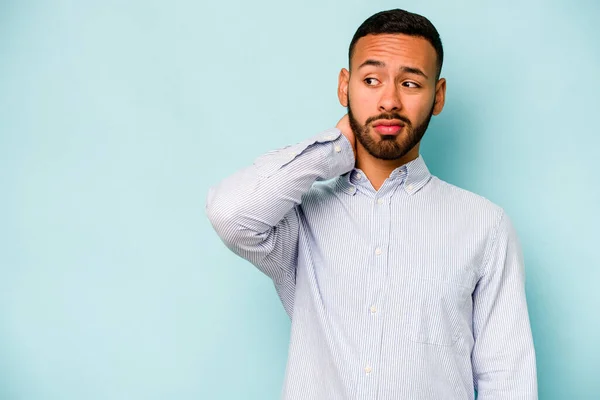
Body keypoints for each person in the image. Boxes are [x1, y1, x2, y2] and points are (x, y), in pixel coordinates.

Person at [205, 8, 537, 400]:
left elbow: (507, 377)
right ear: (344, 86)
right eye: (371, 80)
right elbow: (230, 213)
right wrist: (332, 149)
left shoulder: (485, 225)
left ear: (438, 95)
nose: (389, 101)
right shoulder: (299, 220)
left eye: (411, 83)